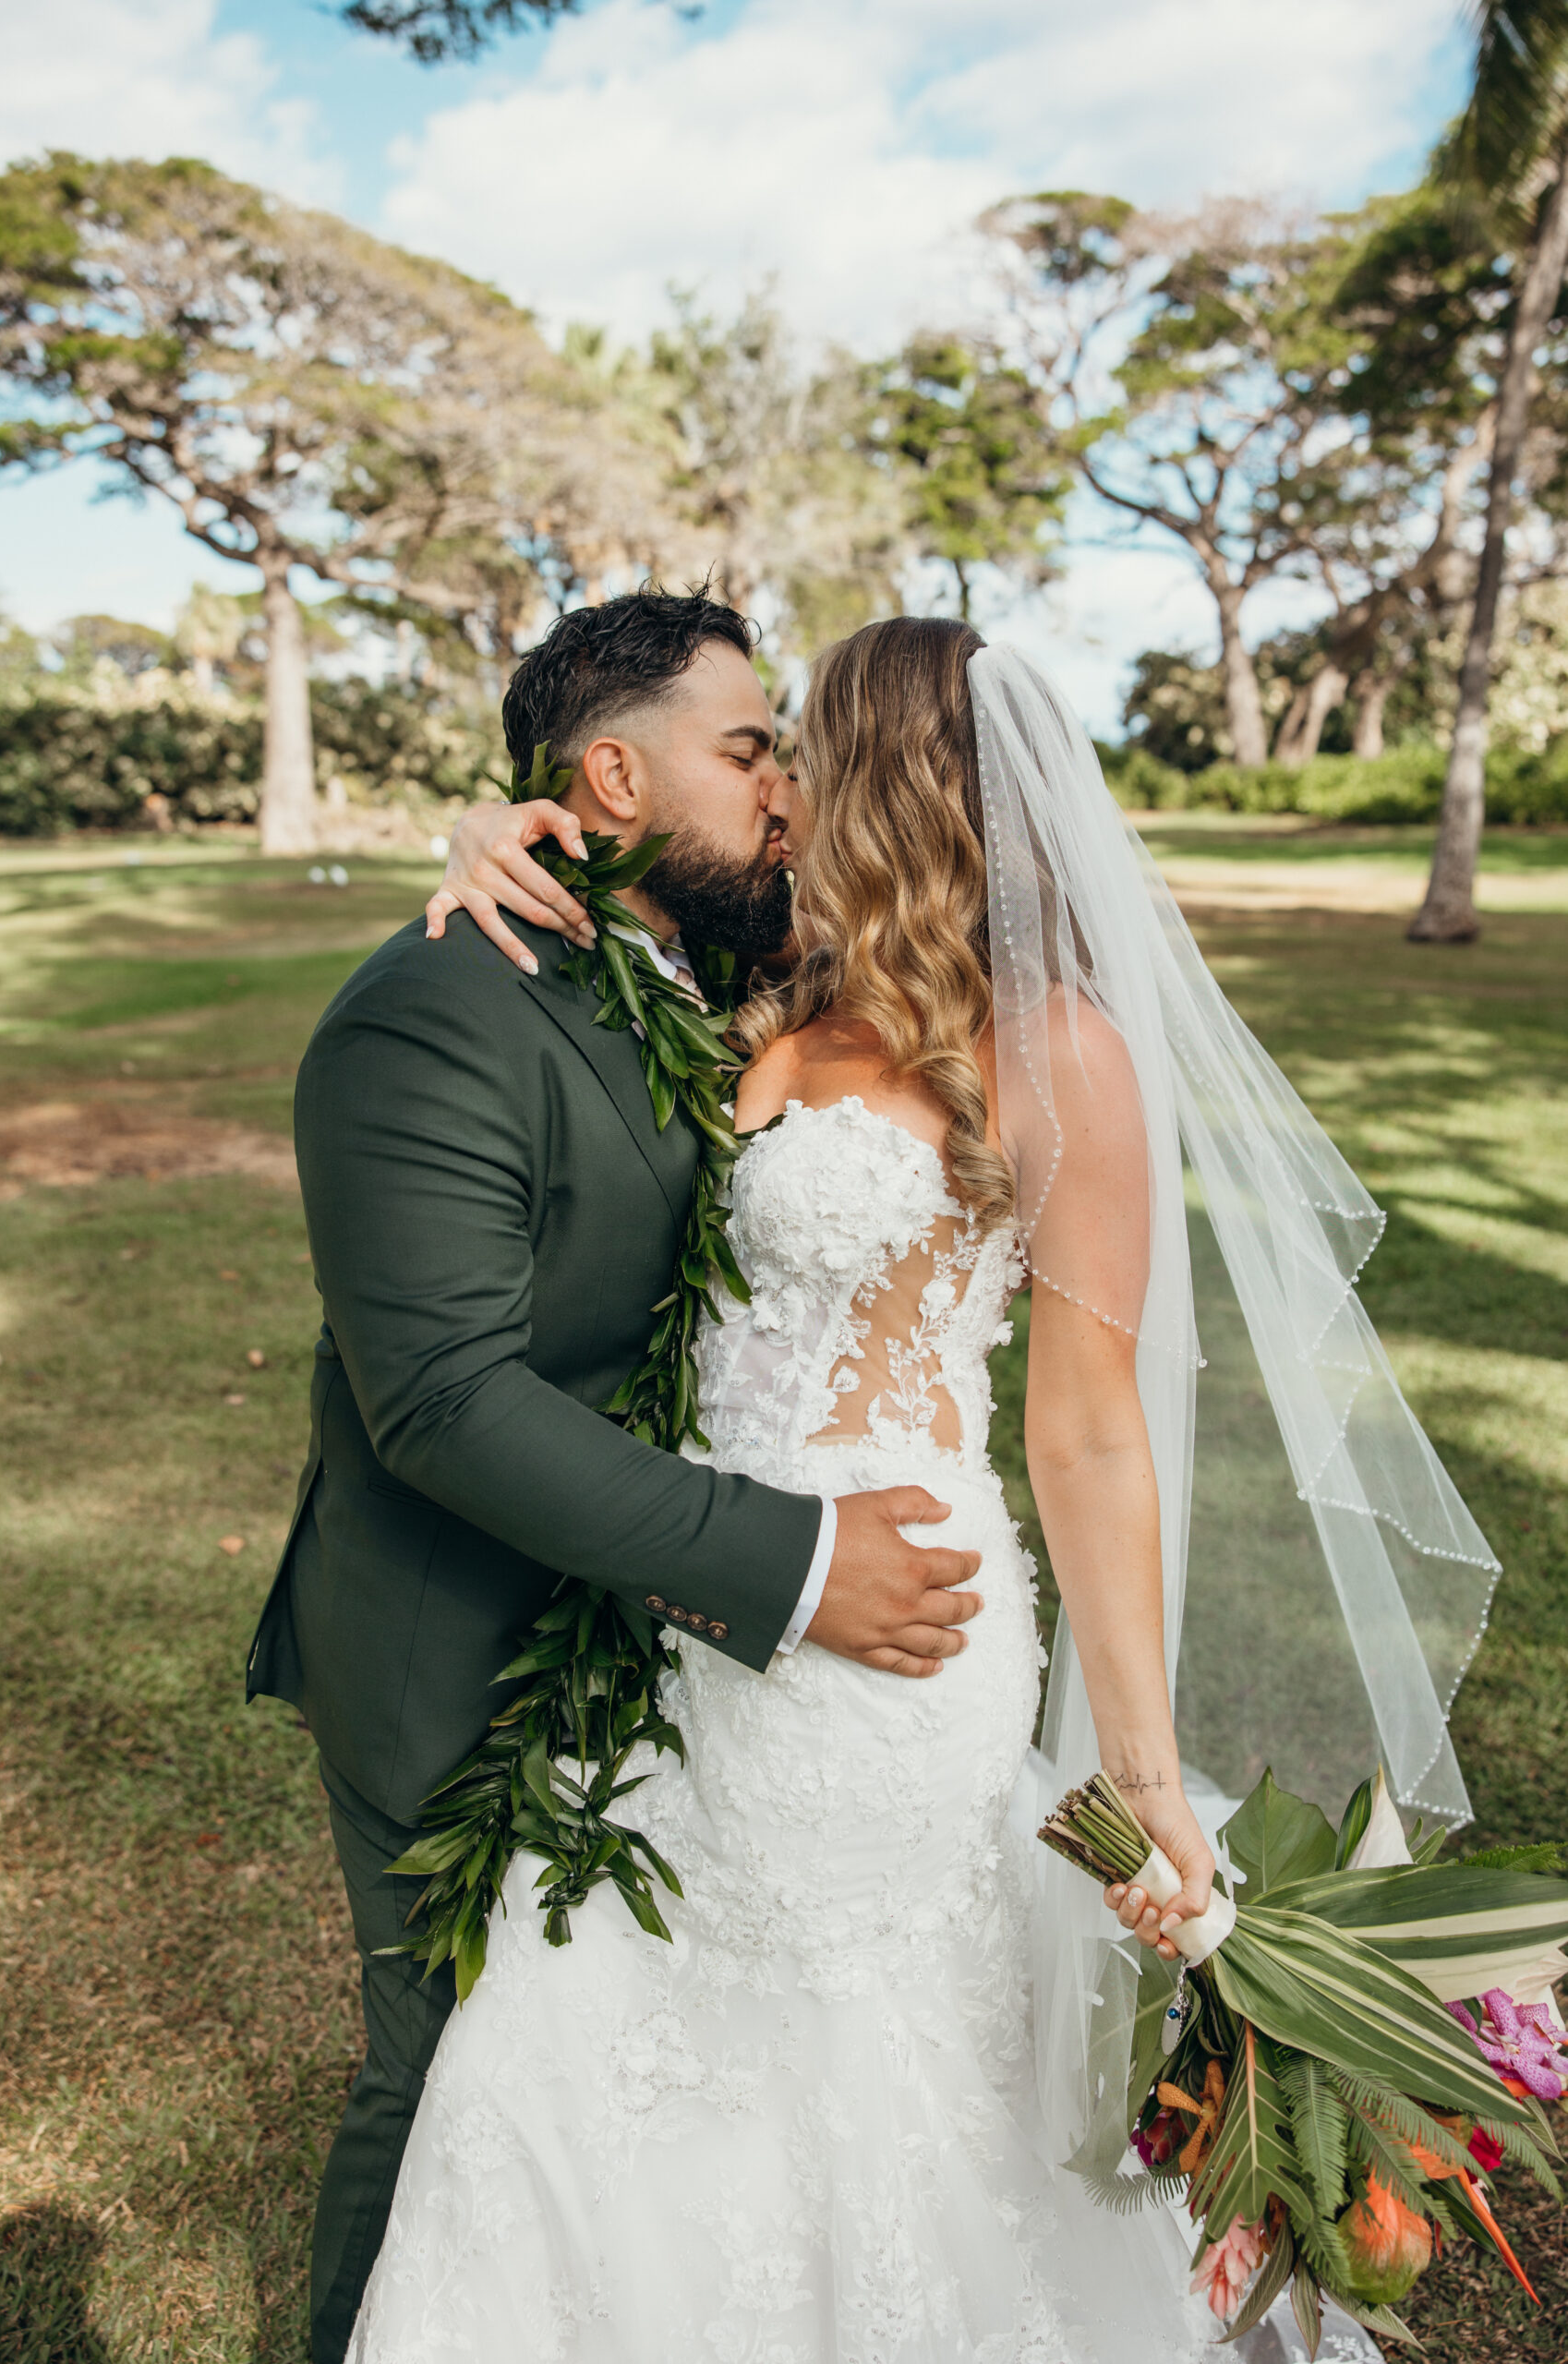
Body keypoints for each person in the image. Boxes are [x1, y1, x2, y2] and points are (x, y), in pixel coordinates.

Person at [345, 609, 1488, 2364]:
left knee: (878, 2067)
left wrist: (1143, 1764)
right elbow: (614, 945)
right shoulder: (782, 985)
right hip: (682, 1619)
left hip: (894, 1639)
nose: (779, 782)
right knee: (609, 2029)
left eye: (798, 747)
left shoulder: (1062, 1052)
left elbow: (1090, 1427)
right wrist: (491, 827)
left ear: (890, 776)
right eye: (757, 750)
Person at [247, 593, 1024, 2364]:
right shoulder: (435, 1010)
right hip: (460, 1634)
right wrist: (795, 1562)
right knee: (459, 2085)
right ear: (612, 775)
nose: (787, 793)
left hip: (660, 1648)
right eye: (752, 752)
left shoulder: (723, 973)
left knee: (642, 2095)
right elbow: (439, 1398)